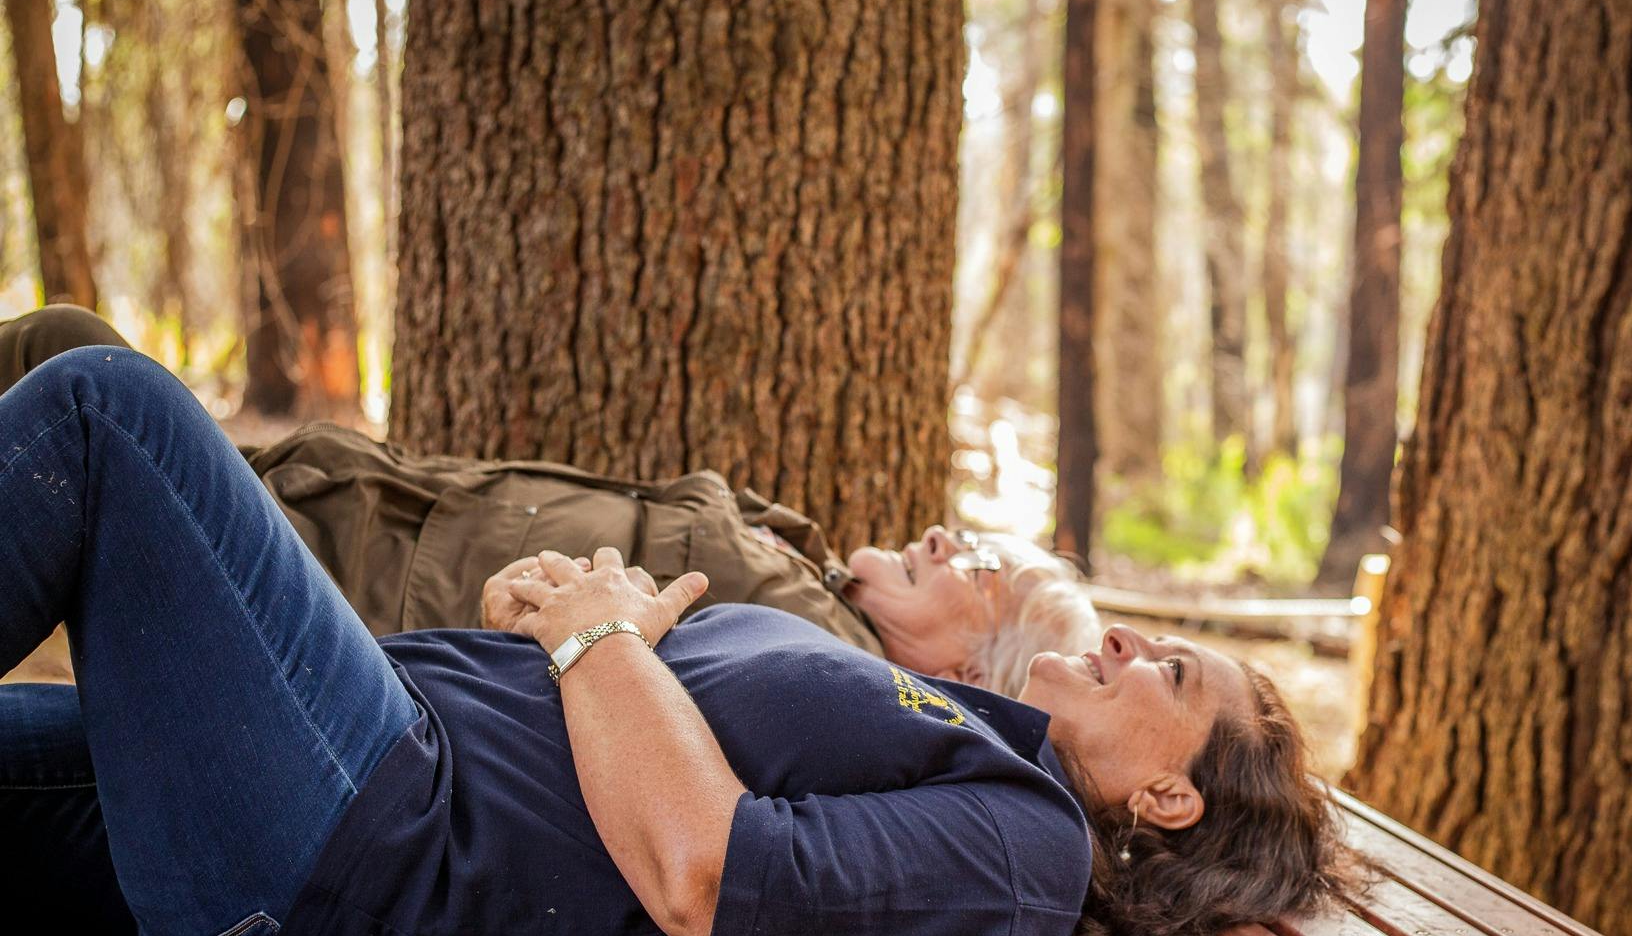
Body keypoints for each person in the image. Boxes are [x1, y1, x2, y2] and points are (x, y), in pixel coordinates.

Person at [0, 347, 1351, 936]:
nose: (1127, 638)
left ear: (1168, 798)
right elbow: (673, 738)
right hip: (354, 797)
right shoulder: (970, 737)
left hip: (371, 866)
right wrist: (611, 628)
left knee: (104, 412)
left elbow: (706, 876)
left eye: (1170, 673)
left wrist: (597, 637)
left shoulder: (1022, 863)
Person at [0, 305, 1099, 695]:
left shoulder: (821, 659)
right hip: (328, 513)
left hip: (325, 606)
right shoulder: (807, 584)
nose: (952, 535)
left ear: (965, 671)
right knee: (68, 364)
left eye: (983, 569)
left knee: (79, 368)